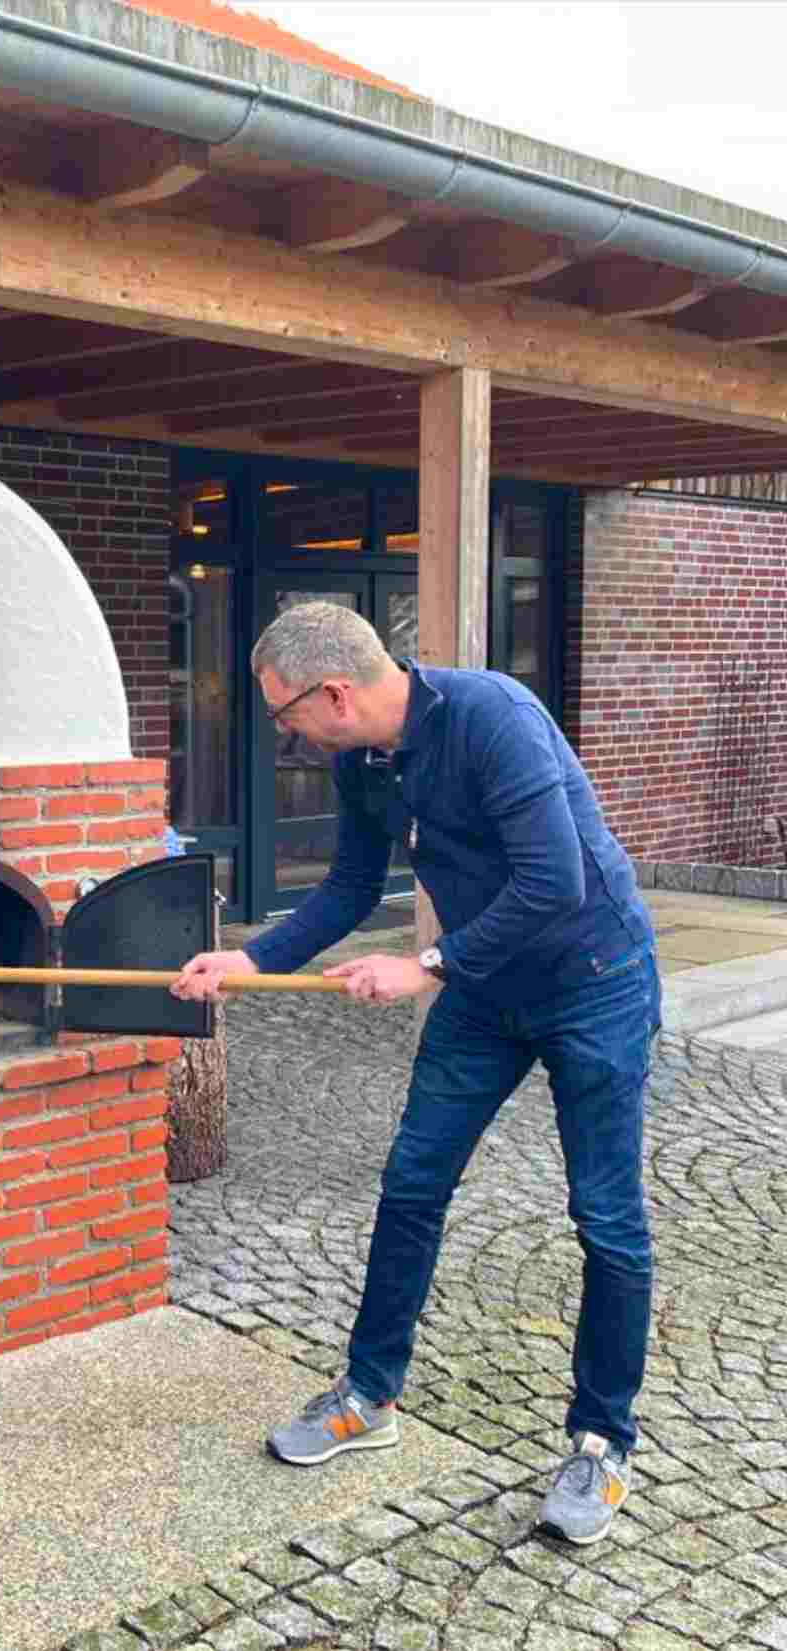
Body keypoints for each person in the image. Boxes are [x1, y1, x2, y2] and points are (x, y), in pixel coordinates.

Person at [171, 601, 660, 1547]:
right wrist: (254, 961)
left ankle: (601, 1441)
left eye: (286, 716)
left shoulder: (492, 718)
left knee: (605, 1215)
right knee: (411, 1183)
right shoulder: (365, 763)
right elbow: (352, 888)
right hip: (487, 994)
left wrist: (426, 966)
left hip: (593, 981)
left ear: (336, 694)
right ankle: (369, 1394)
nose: (288, 737)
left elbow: (554, 880)